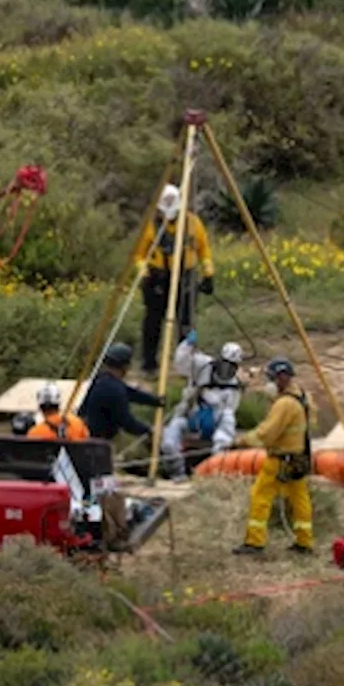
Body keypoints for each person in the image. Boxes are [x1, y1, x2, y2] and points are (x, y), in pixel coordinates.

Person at [232, 357, 314, 557]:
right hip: (298, 458)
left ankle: (255, 542)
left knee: (260, 496)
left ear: (281, 378)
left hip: (280, 460)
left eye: (270, 378)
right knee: (299, 500)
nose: (268, 384)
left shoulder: (284, 404)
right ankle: (305, 542)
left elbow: (267, 433)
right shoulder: (301, 396)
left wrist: (241, 442)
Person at [134, 184, 215, 375]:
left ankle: (185, 364)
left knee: (186, 323)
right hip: (157, 280)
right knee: (152, 323)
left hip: (185, 278)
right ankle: (149, 364)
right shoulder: (151, 226)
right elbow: (139, 255)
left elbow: (204, 251)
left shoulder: (193, 223)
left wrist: (208, 273)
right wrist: (145, 274)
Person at [161, 331, 243, 481]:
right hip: (190, 416)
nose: (226, 371)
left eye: (231, 367)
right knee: (169, 440)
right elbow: (181, 364)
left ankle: (216, 470)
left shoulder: (234, 388)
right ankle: (177, 472)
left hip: (214, 424)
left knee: (226, 425)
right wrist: (187, 345)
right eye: (224, 365)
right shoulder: (202, 365)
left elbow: (230, 411)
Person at [79, 342, 164, 441]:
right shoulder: (114, 389)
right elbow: (127, 423)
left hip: (85, 435)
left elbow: (130, 393)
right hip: (96, 442)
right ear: (125, 366)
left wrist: (155, 401)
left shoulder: (101, 380)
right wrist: (148, 430)